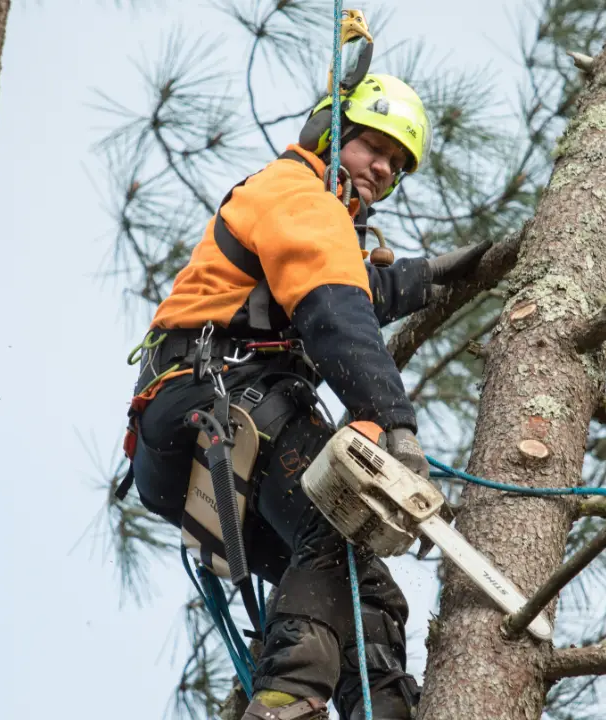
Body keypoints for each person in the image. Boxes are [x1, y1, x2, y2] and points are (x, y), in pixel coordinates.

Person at [121, 73, 490, 720]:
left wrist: (424, 278)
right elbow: (334, 310)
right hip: (220, 400)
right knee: (338, 515)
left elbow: (343, 286)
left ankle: (385, 709)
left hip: (191, 442)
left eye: (397, 162)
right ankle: (287, 700)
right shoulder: (298, 190)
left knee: (363, 586)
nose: (382, 167)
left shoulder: (310, 218)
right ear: (329, 131)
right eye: (373, 144)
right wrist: (395, 426)